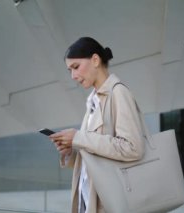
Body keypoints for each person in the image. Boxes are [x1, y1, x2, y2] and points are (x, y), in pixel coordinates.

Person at [49, 37, 145, 213]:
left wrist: (78, 137)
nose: (73, 76)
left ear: (95, 60)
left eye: (76, 67)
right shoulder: (93, 100)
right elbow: (95, 152)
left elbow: (133, 148)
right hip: (88, 201)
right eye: (69, 70)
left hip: (110, 203)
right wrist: (71, 149)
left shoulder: (118, 93)